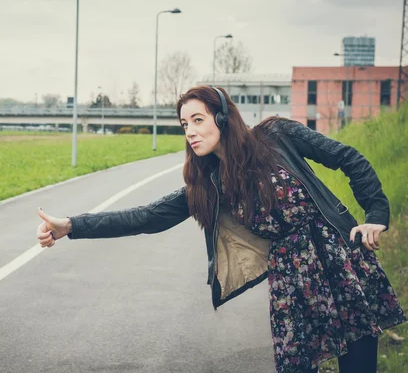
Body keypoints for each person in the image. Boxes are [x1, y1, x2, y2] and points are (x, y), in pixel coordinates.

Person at [35, 85, 406, 373]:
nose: (190, 132)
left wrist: (375, 213)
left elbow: (348, 158)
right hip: (293, 283)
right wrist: (72, 226)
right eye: (184, 125)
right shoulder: (210, 184)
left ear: (223, 118)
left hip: (339, 261)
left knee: (358, 365)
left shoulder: (278, 136)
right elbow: (147, 217)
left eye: (198, 120)